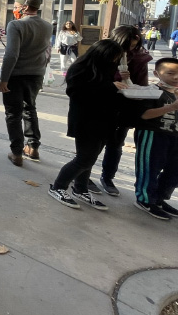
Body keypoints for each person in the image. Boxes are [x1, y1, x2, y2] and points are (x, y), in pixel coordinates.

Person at [47, 40, 127, 210]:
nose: (115, 61)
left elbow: (108, 90)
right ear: (101, 54)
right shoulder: (80, 67)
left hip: (105, 120)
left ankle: (80, 188)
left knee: (91, 158)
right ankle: (58, 187)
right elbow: (76, 93)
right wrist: (110, 87)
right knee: (84, 158)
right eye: (113, 57)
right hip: (86, 120)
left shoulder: (108, 67)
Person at [98, 25, 152, 196]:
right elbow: (89, 78)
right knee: (95, 143)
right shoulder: (102, 53)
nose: (131, 49)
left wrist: (132, 86)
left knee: (116, 144)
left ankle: (107, 177)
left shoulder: (140, 59)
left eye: (135, 45)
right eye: (127, 45)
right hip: (101, 105)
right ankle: (82, 176)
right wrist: (113, 81)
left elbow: (141, 85)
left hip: (125, 107)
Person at [0, 0, 52, 166]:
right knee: (30, 109)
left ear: (25, 7)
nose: (14, 9)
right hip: (36, 75)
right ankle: (33, 146)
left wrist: (4, 79)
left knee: (13, 114)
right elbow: (47, 53)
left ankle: (16, 152)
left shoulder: (15, 25)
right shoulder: (47, 26)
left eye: (15, 6)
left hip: (16, 75)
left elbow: (11, 55)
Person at [130, 57, 178, 221]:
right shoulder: (151, 91)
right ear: (156, 73)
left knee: (174, 171)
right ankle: (145, 199)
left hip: (174, 136)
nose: (176, 77)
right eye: (171, 73)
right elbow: (143, 115)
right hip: (153, 134)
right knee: (150, 168)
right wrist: (172, 107)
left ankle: (159, 198)